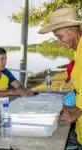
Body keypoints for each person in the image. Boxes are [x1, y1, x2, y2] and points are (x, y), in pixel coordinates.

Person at [39, 7, 82, 147]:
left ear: (71, 29)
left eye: (60, 36)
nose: (58, 41)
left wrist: (75, 112)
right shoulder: (77, 51)